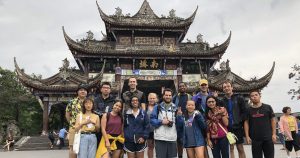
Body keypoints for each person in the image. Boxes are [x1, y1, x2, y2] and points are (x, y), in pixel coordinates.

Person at [244, 90, 276, 158]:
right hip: (255, 139)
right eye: (252, 96)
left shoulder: (268, 107)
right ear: (250, 98)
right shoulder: (248, 110)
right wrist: (247, 136)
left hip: (268, 138)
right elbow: (246, 122)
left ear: (260, 96)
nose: (254, 97)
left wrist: (274, 134)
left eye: (256, 95)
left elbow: (273, 120)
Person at [150, 88, 181, 158]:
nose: (168, 97)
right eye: (166, 95)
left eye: (169, 95)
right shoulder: (157, 107)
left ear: (171, 96)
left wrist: (180, 116)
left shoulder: (175, 108)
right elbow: (152, 120)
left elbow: (179, 124)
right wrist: (161, 122)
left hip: (172, 138)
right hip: (160, 138)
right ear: (163, 96)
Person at [221, 80, 247, 158]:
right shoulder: (222, 101)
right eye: (224, 87)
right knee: (231, 148)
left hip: (238, 127)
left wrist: (239, 121)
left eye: (228, 86)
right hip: (227, 128)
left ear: (232, 87)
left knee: (240, 148)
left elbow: (244, 112)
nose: (226, 88)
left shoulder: (239, 98)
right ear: (223, 89)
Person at [192, 78, 216, 158]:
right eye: (202, 85)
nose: (203, 86)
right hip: (199, 122)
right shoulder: (195, 97)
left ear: (207, 85)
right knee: (202, 143)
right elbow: (192, 109)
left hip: (211, 122)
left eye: (205, 85)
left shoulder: (211, 96)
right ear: (199, 86)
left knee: (213, 142)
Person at [65, 84, 88, 158]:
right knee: (72, 147)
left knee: (85, 148)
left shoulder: (89, 102)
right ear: (77, 92)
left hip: (86, 127)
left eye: (84, 90)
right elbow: (67, 114)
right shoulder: (72, 102)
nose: (83, 91)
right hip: (74, 127)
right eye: (81, 90)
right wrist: (72, 124)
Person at [173, 82, 192, 158]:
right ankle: (180, 156)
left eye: (183, 86)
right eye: (180, 86)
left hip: (188, 119)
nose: (181, 87)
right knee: (179, 140)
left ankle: (189, 155)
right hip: (178, 120)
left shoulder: (190, 96)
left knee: (188, 139)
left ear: (186, 87)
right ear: (178, 88)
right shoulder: (175, 97)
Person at [94, 82, 115, 146]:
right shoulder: (96, 99)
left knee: (110, 144)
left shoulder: (114, 100)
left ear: (110, 90)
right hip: (99, 124)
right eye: (104, 88)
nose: (106, 89)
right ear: (101, 89)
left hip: (111, 124)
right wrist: (103, 115)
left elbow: (116, 110)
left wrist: (108, 115)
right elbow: (94, 110)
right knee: (99, 143)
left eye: (108, 88)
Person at [146, 93, 158, 158]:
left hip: (157, 130)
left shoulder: (159, 107)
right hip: (149, 130)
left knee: (158, 147)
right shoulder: (145, 107)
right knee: (150, 147)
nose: (152, 99)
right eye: (151, 98)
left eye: (153, 98)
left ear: (156, 99)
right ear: (148, 99)